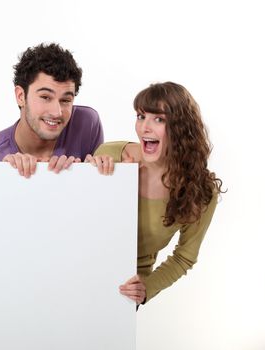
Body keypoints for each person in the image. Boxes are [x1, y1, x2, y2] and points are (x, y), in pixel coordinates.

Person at [89, 82, 223, 304]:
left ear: (180, 128)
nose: (144, 128)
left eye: (158, 119)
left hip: (127, 288)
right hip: (82, 269)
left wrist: (146, 288)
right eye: (141, 116)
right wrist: (86, 175)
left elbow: (184, 257)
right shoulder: (110, 155)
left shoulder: (201, 191)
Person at [0, 43, 106, 177]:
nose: (56, 112)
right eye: (45, 97)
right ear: (20, 96)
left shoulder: (86, 124)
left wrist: (83, 174)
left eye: (65, 100)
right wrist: (8, 178)